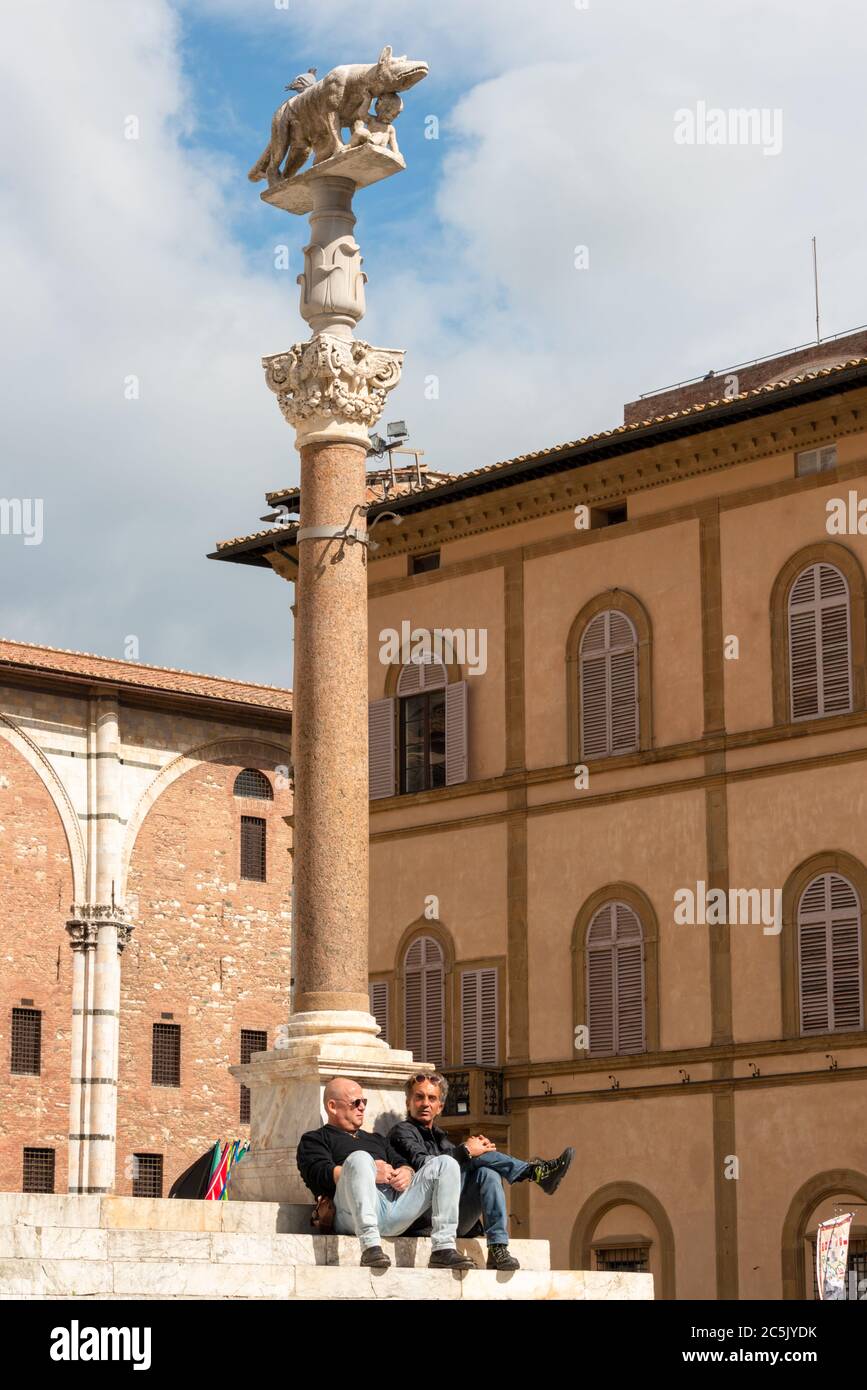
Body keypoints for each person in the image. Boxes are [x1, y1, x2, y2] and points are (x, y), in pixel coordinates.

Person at [389, 1073, 575, 1271]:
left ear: (440, 1107)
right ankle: (535, 1172)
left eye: (432, 1098)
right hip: (422, 1220)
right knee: (474, 1156)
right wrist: (468, 1151)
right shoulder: (402, 1132)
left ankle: (497, 1248)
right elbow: (427, 1165)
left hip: (452, 1217)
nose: (425, 1103)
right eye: (419, 1097)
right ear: (408, 1102)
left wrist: (475, 1150)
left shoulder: (441, 1138)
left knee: (488, 1173)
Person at [296, 1075, 475, 1270]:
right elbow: (317, 1173)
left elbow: (402, 1162)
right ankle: (370, 1247)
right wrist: (369, 1171)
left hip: (393, 1206)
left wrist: (407, 1172)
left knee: (446, 1163)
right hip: (350, 1212)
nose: (362, 1107)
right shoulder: (314, 1139)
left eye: (364, 1102)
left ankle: (443, 1248)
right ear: (332, 1106)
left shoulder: (377, 1139)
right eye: (356, 1102)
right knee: (360, 1158)